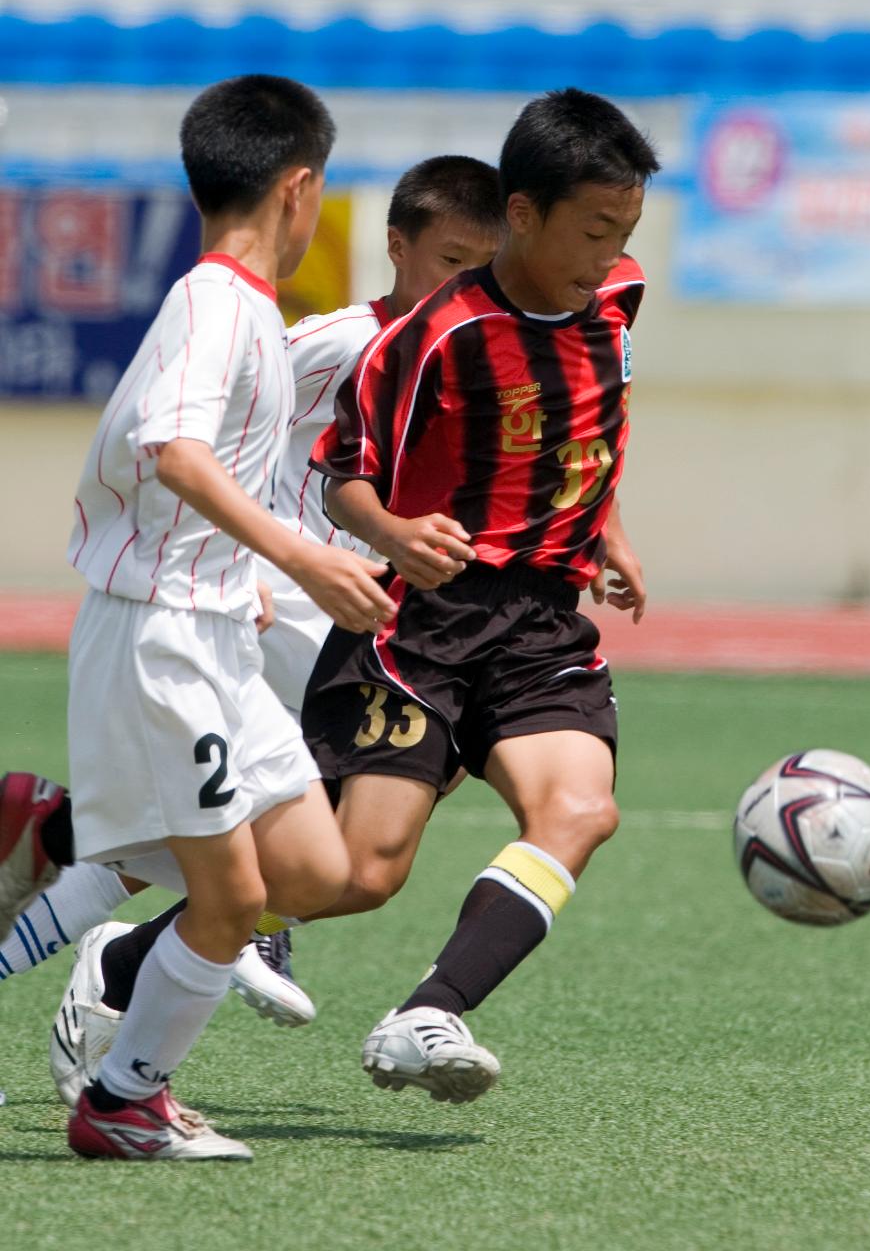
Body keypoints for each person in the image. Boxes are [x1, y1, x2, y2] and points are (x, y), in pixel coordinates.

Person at [36, 155, 505, 1101]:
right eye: (446, 261)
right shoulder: (329, 339)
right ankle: (148, 933)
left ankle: (148, 936)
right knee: (292, 843)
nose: (461, 286)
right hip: (288, 605)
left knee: (344, 852)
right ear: (396, 244)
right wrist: (256, 562)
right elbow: (201, 442)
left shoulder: (482, 352)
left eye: (479, 267)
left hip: (372, 611)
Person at [54, 73, 395, 1161]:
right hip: (161, 635)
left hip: (210, 632)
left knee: (312, 875)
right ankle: (122, 1099)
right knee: (234, 894)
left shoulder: (244, 310)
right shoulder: (215, 303)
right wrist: (297, 555)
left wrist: (238, 570)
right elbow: (176, 451)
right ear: (301, 190)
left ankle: (41, 830)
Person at [299, 86, 658, 1103]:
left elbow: (591, 424)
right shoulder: (437, 335)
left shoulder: (619, 300)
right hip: (426, 620)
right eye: (591, 230)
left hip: (541, 619)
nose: (606, 256)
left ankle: (432, 1008)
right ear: (521, 213)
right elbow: (343, 470)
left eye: (623, 232)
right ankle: (131, 954)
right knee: (360, 872)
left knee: (581, 807)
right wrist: (394, 534)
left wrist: (608, 530)